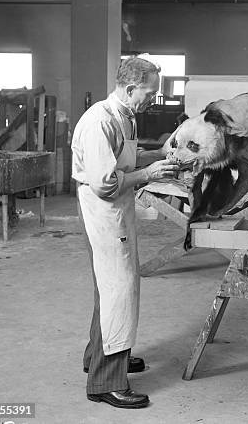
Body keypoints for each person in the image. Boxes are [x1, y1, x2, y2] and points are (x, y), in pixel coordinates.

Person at [71, 56, 179, 408]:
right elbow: (105, 184)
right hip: (103, 209)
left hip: (116, 207)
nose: (153, 100)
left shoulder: (126, 115)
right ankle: (105, 382)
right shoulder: (100, 120)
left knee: (111, 287)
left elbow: (125, 160)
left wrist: (160, 155)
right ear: (130, 88)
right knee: (118, 289)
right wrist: (151, 175)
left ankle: (99, 357)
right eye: (150, 93)